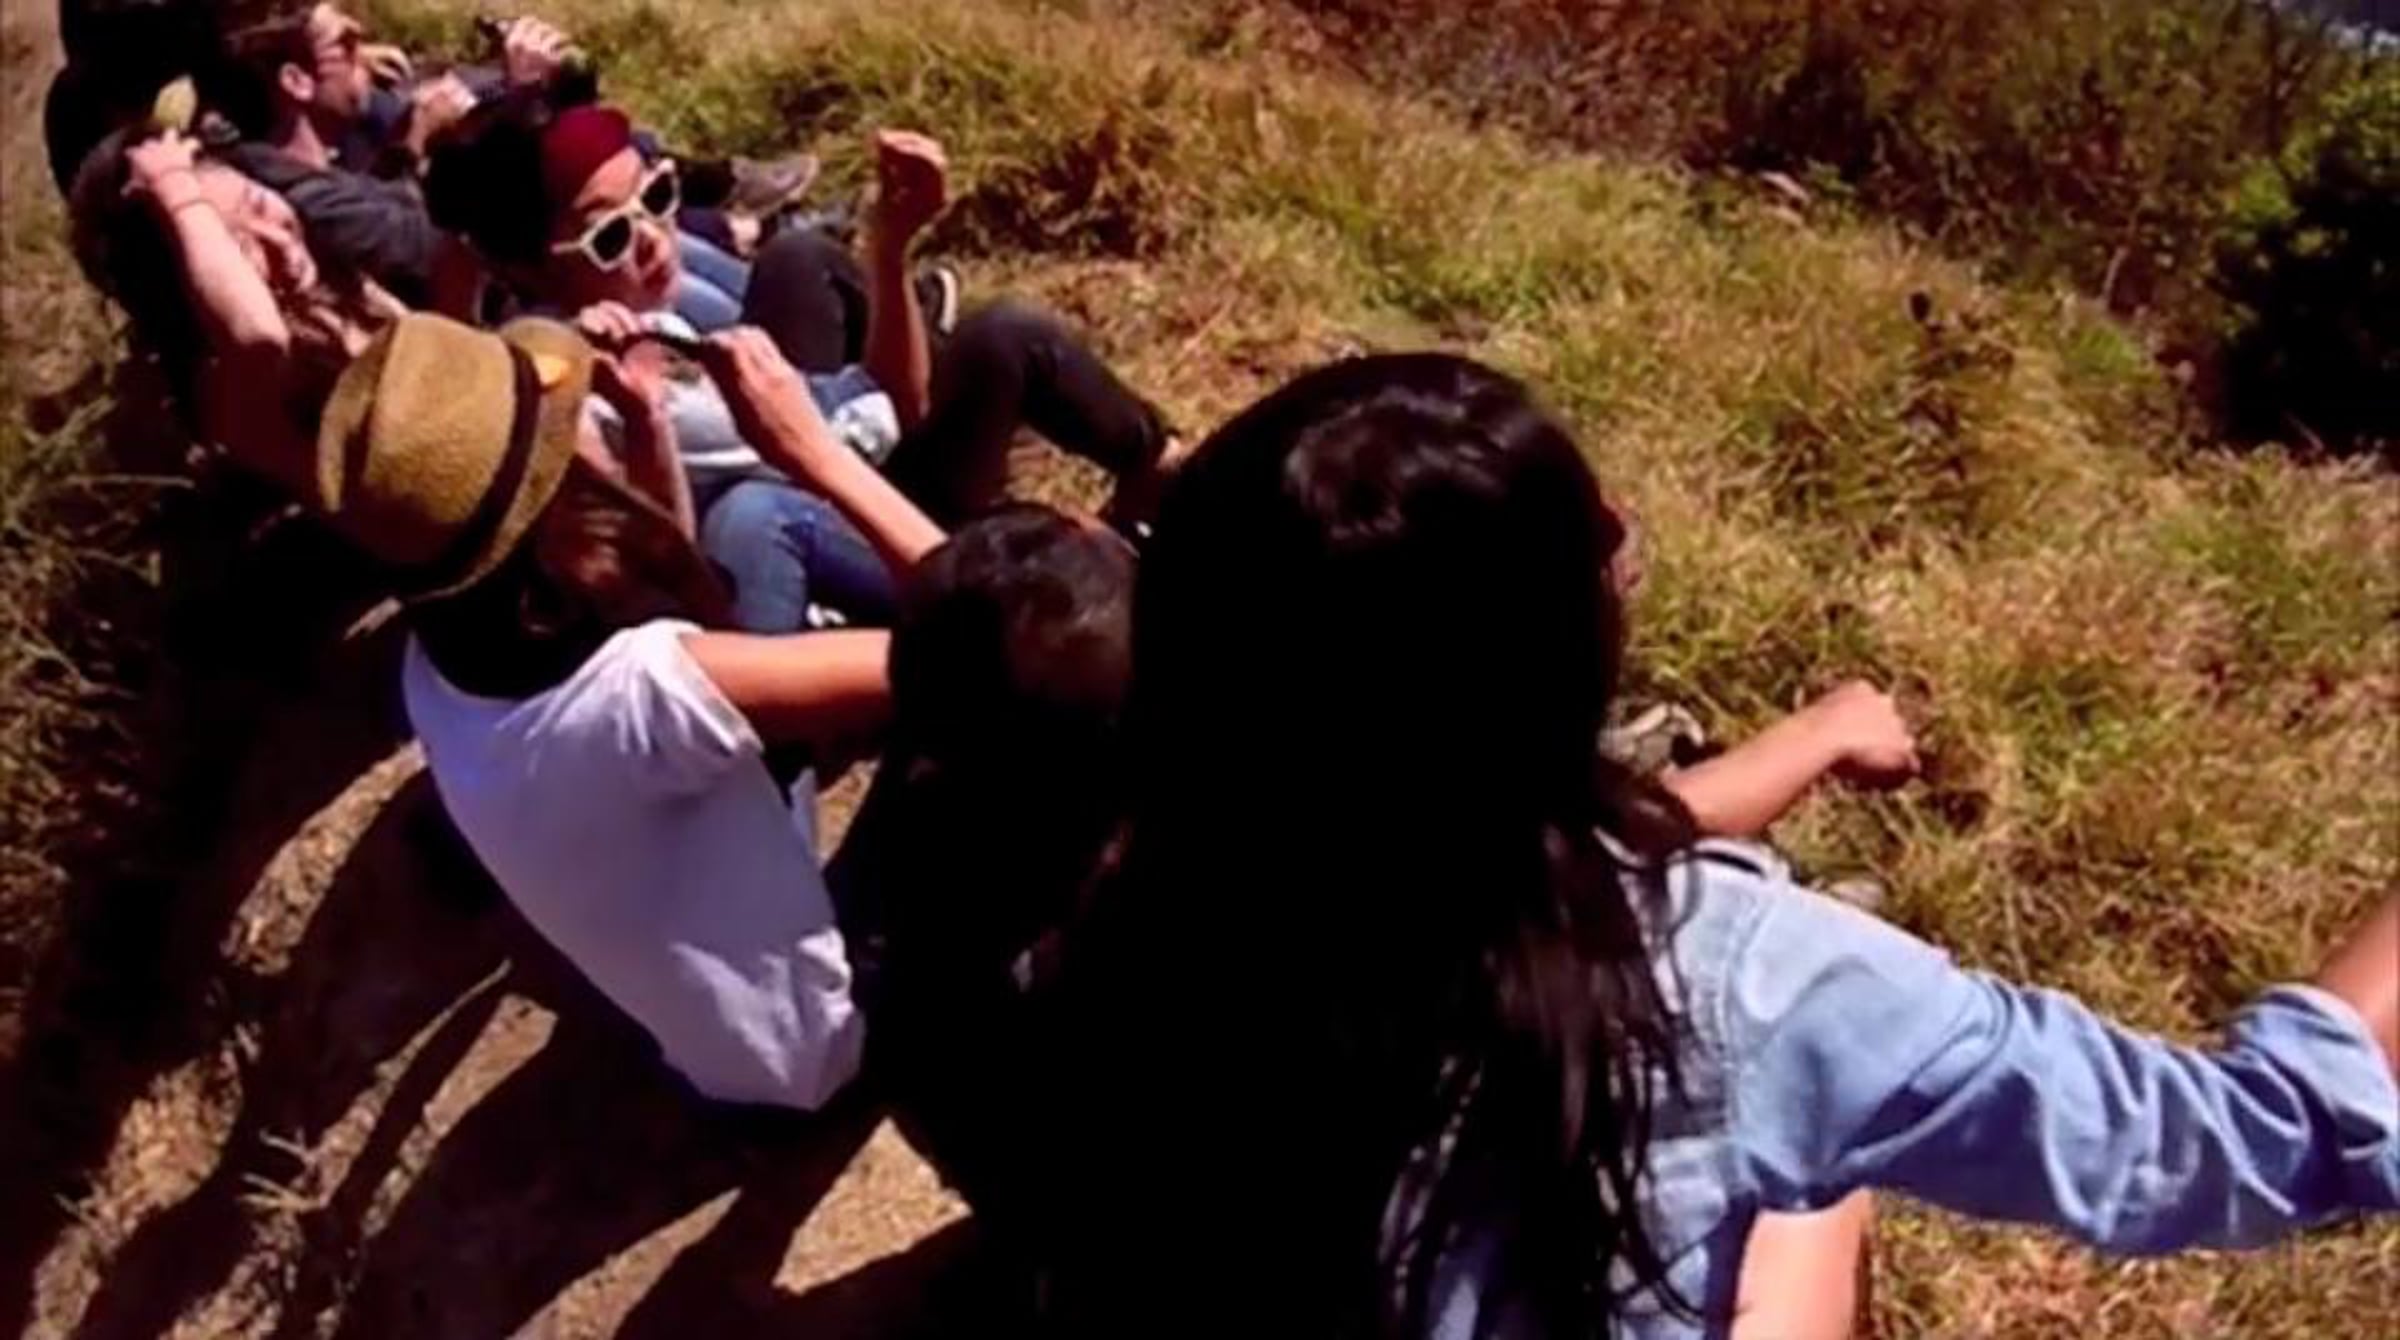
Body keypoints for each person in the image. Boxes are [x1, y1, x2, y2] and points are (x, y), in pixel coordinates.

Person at [1036, 353, 2400, 1336]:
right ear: (1547, 661)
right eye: (1597, 539)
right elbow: (2241, 1141)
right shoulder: (1742, 982)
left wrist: (1810, 739)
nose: (1622, 539)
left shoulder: (1147, 913)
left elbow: (1526, 843)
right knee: (1817, 1185)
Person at [305, 311, 953, 1108]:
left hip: (717, 1044)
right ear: (547, 515)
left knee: (757, 518)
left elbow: (667, 593)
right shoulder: (644, 693)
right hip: (828, 1042)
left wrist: (647, 418)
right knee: (1007, 717)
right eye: (557, 431)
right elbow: (990, 645)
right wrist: (815, 453)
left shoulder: (442, 667)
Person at [424, 94, 1177, 631]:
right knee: (1003, 336)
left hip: (835, 468)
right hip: (842, 528)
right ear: (530, 269)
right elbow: (664, 601)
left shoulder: (641, 317)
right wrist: (646, 415)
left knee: (801, 257)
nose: (654, 236)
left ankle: (1156, 468)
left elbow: (885, 400)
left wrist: (888, 245)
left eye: (657, 195)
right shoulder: (585, 389)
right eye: (611, 237)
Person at [69, 124, 402, 496]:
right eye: (238, 248)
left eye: (258, 204)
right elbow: (259, 337)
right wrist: (175, 189)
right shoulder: (225, 389)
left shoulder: (332, 279)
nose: (278, 240)